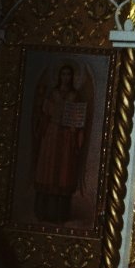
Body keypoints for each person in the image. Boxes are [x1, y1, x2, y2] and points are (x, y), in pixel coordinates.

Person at [32, 63, 91, 223]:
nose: (66, 77)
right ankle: (43, 211)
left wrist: (76, 130)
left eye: (68, 74)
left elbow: (79, 118)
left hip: (67, 137)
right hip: (51, 135)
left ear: (72, 77)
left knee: (64, 171)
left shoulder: (75, 95)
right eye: (63, 74)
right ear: (59, 76)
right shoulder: (53, 93)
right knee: (48, 169)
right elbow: (44, 114)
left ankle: (60, 213)